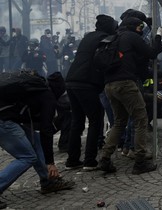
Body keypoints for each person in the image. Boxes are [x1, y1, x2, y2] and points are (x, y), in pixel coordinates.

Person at [98, 17, 162, 175]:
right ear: (134, 27)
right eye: (140, 27)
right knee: (141, 119)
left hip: (109, 85)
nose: (141, 30)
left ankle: (105, 158)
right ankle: (140, 162)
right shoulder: (131, 37)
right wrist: (158, 35)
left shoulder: (114, 38)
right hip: (125, 83)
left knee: (119, 122)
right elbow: (151, 52)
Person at [0, 72, 76, 208]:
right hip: (4, 121)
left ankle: (48, 181)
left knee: (35, 141)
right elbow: (46, 130)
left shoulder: (36, 89)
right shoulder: (48, 97)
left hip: (7, 118)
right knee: (27, 157)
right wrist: (50, 162)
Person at [65, 14, 118, 171]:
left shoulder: (88, 37)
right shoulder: (105, 39)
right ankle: (89, 160)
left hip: (71, 80)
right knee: (96, 119)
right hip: (86, 83)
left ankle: (72, 160)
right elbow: (103, 60)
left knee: (77, 120)